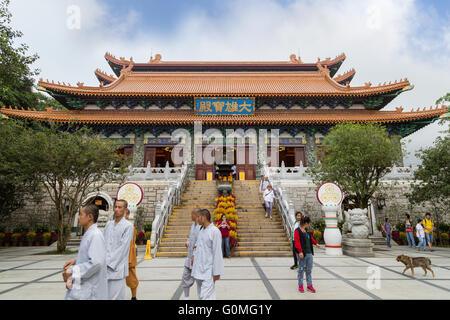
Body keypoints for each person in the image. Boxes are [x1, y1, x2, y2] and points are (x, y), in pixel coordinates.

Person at [63, 204, 108, 300]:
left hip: (90, 289)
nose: (78, 217)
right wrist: (76, 260)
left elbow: (96, 263)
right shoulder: (89, 234)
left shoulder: (95, 235)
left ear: (90, 217)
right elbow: (91, 255)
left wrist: (72, 271)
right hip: (83, 285)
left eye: (81, 214)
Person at [191, 209, 224, 300]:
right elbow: (197, 245)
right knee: (201, 295)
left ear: (204, 217)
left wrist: (217, 272)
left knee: (205, 296)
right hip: (198, 268)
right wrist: (193, 256)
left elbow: (217, 253)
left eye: (198, 217)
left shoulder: (214, 231)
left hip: (209, 270)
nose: (197, 219)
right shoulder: (201, 230)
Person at [104, 199, 134, 300]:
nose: (116, 209)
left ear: (125, 209)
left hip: (117, 267)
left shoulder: (128, 226)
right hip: (104, 267)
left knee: (116, 297)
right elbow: (104, 244)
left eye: (119, 207)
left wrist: (109, 262)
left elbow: (123, 248)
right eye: (115, 207)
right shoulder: (109, 224)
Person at [294, 216, 320, 293]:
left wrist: (316, 243)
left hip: (309, 253)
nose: (309, 225)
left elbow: (311, 238)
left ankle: (309, 285)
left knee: (309, 270)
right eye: (309, 223)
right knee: (301, 270)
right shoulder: (297, 231)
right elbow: (297, 242)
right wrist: (300, 252)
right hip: (302, 253)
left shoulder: (307, 231)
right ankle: (300, 285)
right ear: (306, 223)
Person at [181, 208, 202, 300]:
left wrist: (194, 255)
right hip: (189, 257)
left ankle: (201, 297)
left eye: (192, 214)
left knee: (199, 280)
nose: (191, 216)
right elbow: (190, 237)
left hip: (197, 257)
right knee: (185, 275)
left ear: (197, 215)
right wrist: (187, 242)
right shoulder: (192, 226)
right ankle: (186, 297)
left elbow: (199, 242)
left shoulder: (201, 227)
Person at [125, 208, 139, 300]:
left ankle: (134, 297)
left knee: (132, 280)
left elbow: (130, 245)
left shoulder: (130, 227)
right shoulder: (111, 225)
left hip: (127, 258)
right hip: (114, 259)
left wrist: (129, 259)